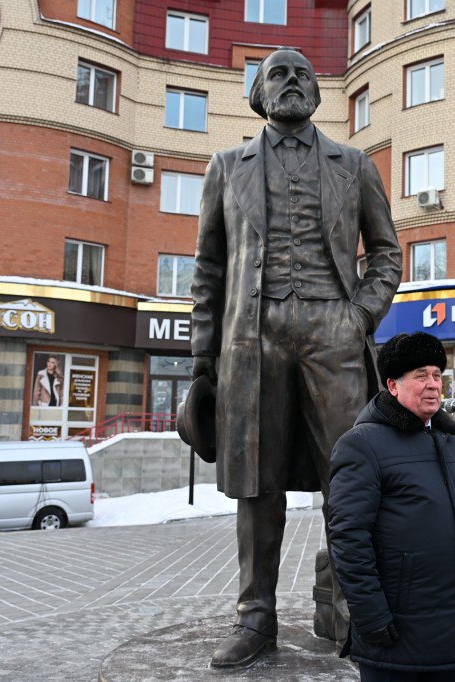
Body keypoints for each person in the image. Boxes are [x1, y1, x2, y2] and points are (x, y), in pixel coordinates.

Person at [191, 47, 402, 667]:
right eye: (277, 74)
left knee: (349, 478)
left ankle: (349, 609)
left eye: (302, 74)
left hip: (332, 334)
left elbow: (386, 253)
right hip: (251, 339)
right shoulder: (225, 166)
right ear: (258, 94)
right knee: (256, 483)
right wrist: (204, 356)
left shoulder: (353, 165)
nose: (291, 82)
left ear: (316, 92)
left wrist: (358, 316)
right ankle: (255, 617)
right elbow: (208, 268)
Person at [328, 332, 455, 681]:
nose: (433, 385)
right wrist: (370, 616)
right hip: (393, 637)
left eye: (437, 375)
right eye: (420, 375)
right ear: (393, 385)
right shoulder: (362, 444)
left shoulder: (449, 444)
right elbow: (348, 538)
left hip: (450, 635)